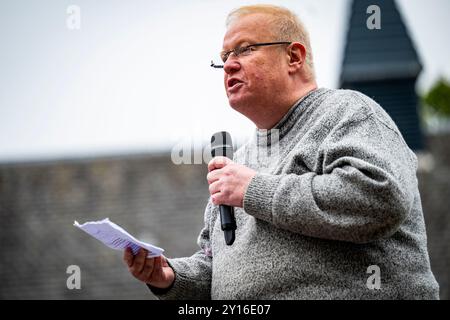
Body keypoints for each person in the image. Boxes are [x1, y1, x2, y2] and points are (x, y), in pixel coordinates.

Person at [123, 4, 439, 299]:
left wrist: (253, 189)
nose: (229, 64)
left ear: (293, 57)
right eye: (224, 56)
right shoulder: (239, 164)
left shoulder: (349, 112)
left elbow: (380, 197)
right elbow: (218, 267)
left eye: (244, 49)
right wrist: (170, 276)